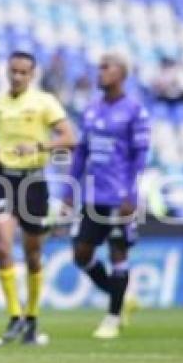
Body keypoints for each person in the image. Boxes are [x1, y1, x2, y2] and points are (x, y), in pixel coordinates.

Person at [0, 51, 75, 344]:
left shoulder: (44, 102)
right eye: (13, 71)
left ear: (32, 74)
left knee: (34, 254)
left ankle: (32, 317)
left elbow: (69, 138)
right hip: (2, 179)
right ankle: (14, 316)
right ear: (7, 72)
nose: (17, 76)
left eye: (23, 72)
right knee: (3, 246)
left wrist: (39, 146)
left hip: (34, 182)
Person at [63, 53, 150, 340]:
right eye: (98, 66)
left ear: (121, 73)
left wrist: (131, 194)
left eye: (106, 67)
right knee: (81, 254)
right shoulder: (91, 110)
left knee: (117, 253)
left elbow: (140, 158)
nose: (99, 72)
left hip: (120, 196)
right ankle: (121, 296)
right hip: (92, 195)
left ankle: (112, 318)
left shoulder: (135, 110)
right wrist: (67, 192)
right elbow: (81, 154)